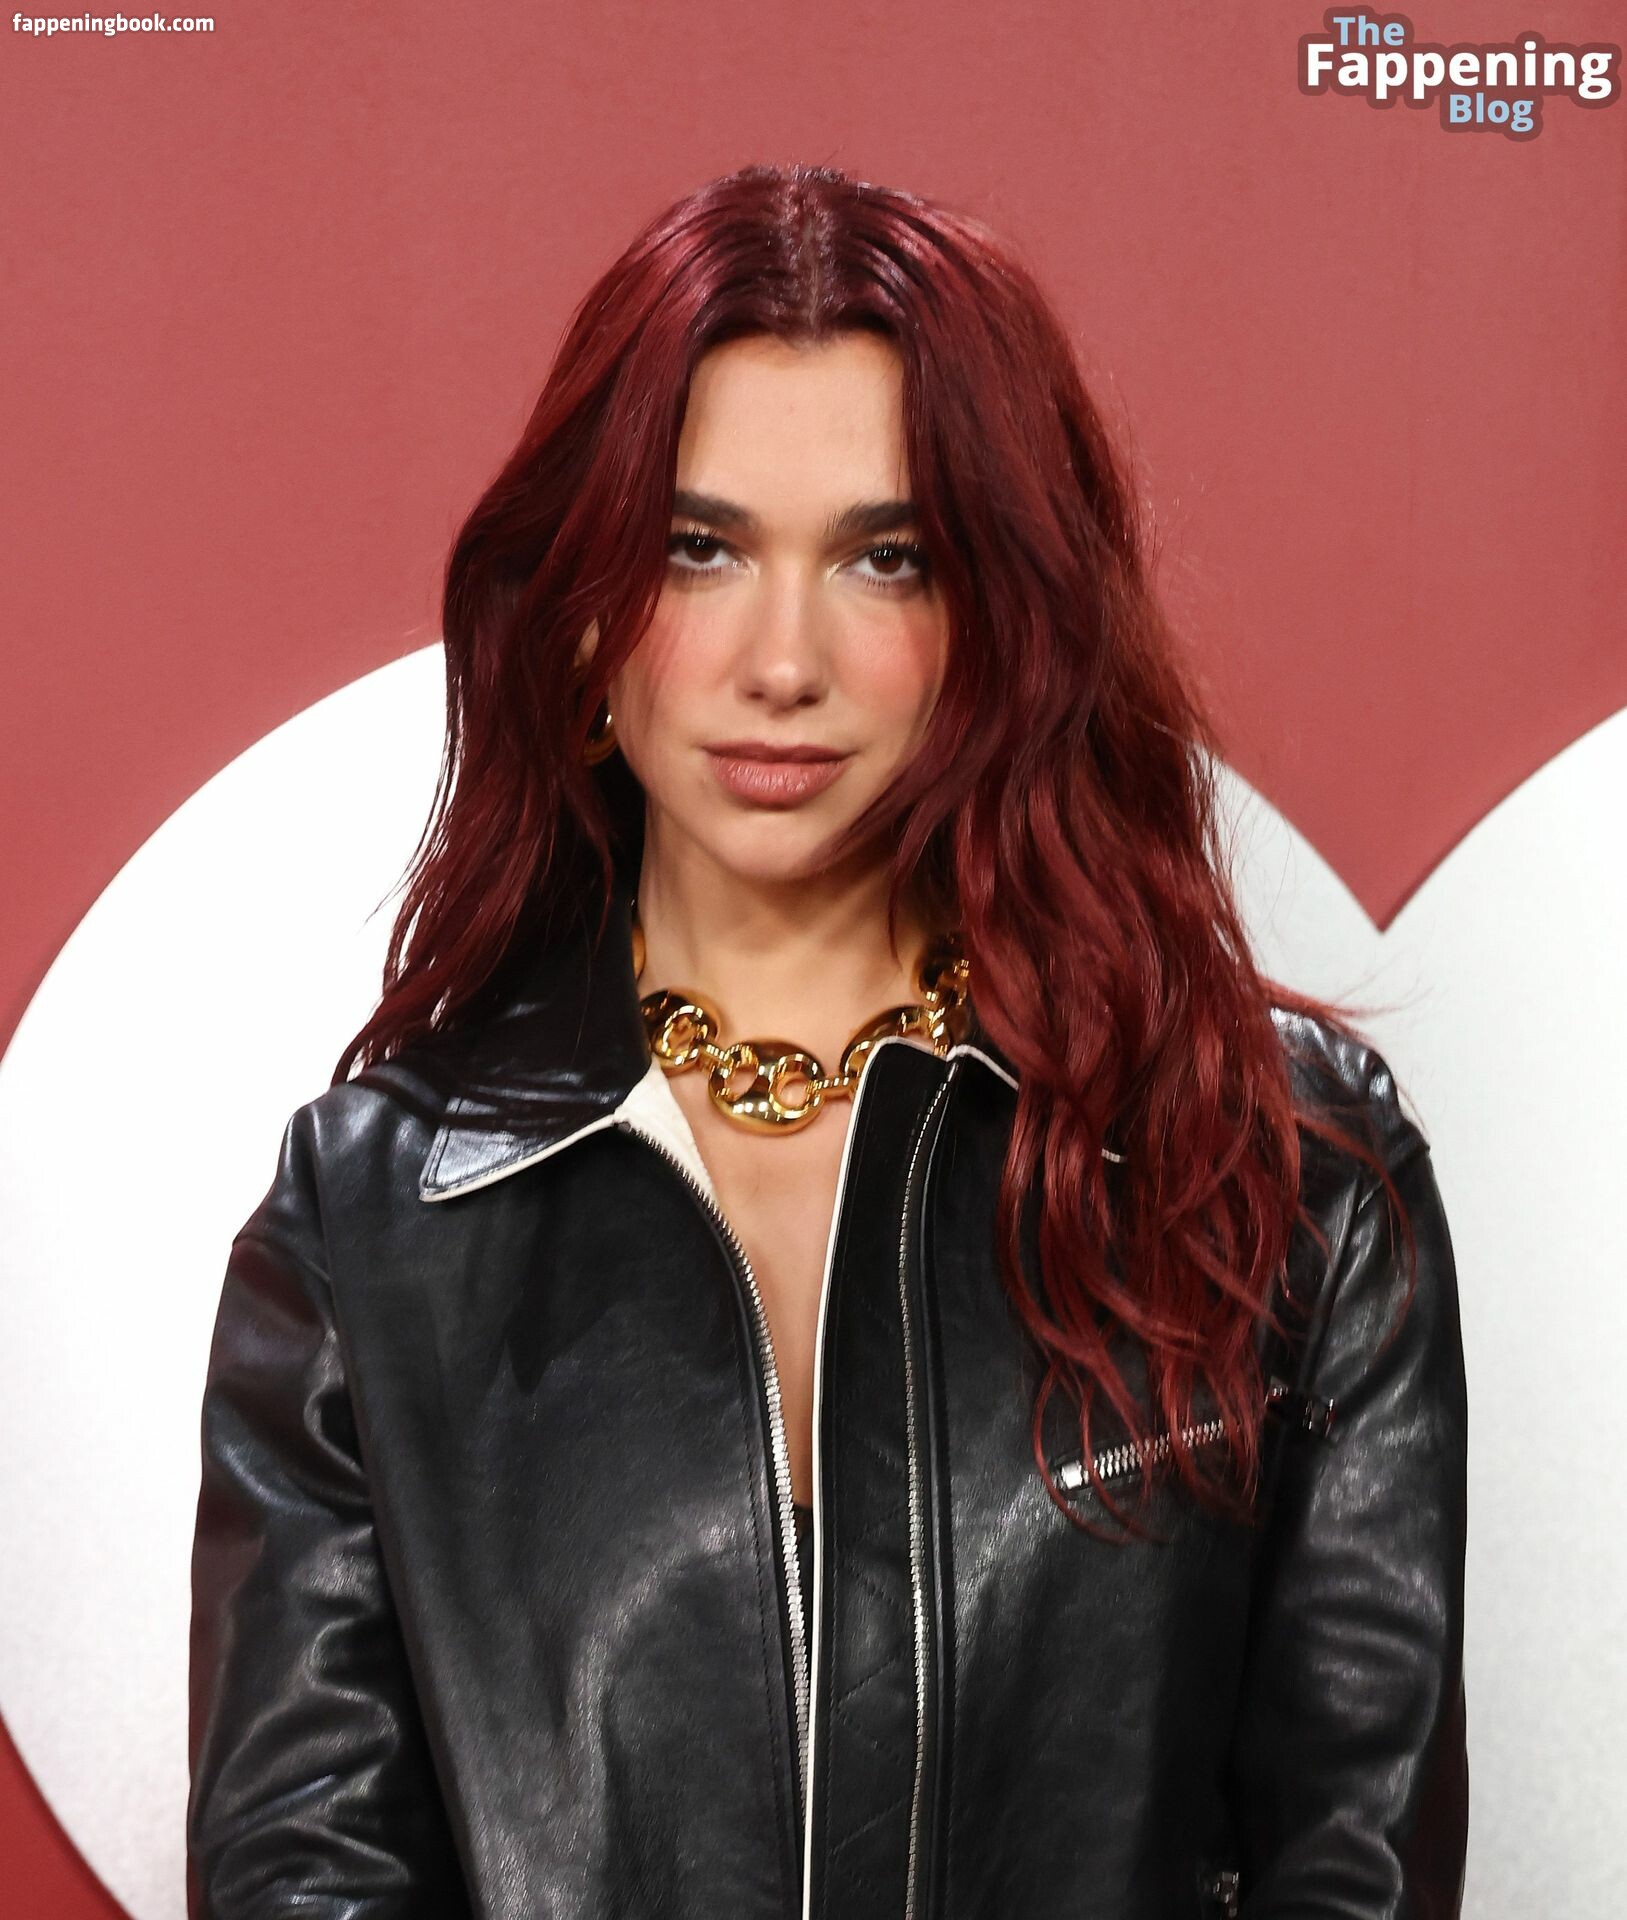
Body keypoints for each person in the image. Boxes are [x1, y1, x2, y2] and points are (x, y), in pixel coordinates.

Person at [186, 163, 1468, 1920]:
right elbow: (303, 1877)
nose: (780, 662)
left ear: (1002, 620)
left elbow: (1357, 1864)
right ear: (581, 610)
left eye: (886, 558)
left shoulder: (1280, 1175)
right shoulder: (376, 1225)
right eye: (697, 549)